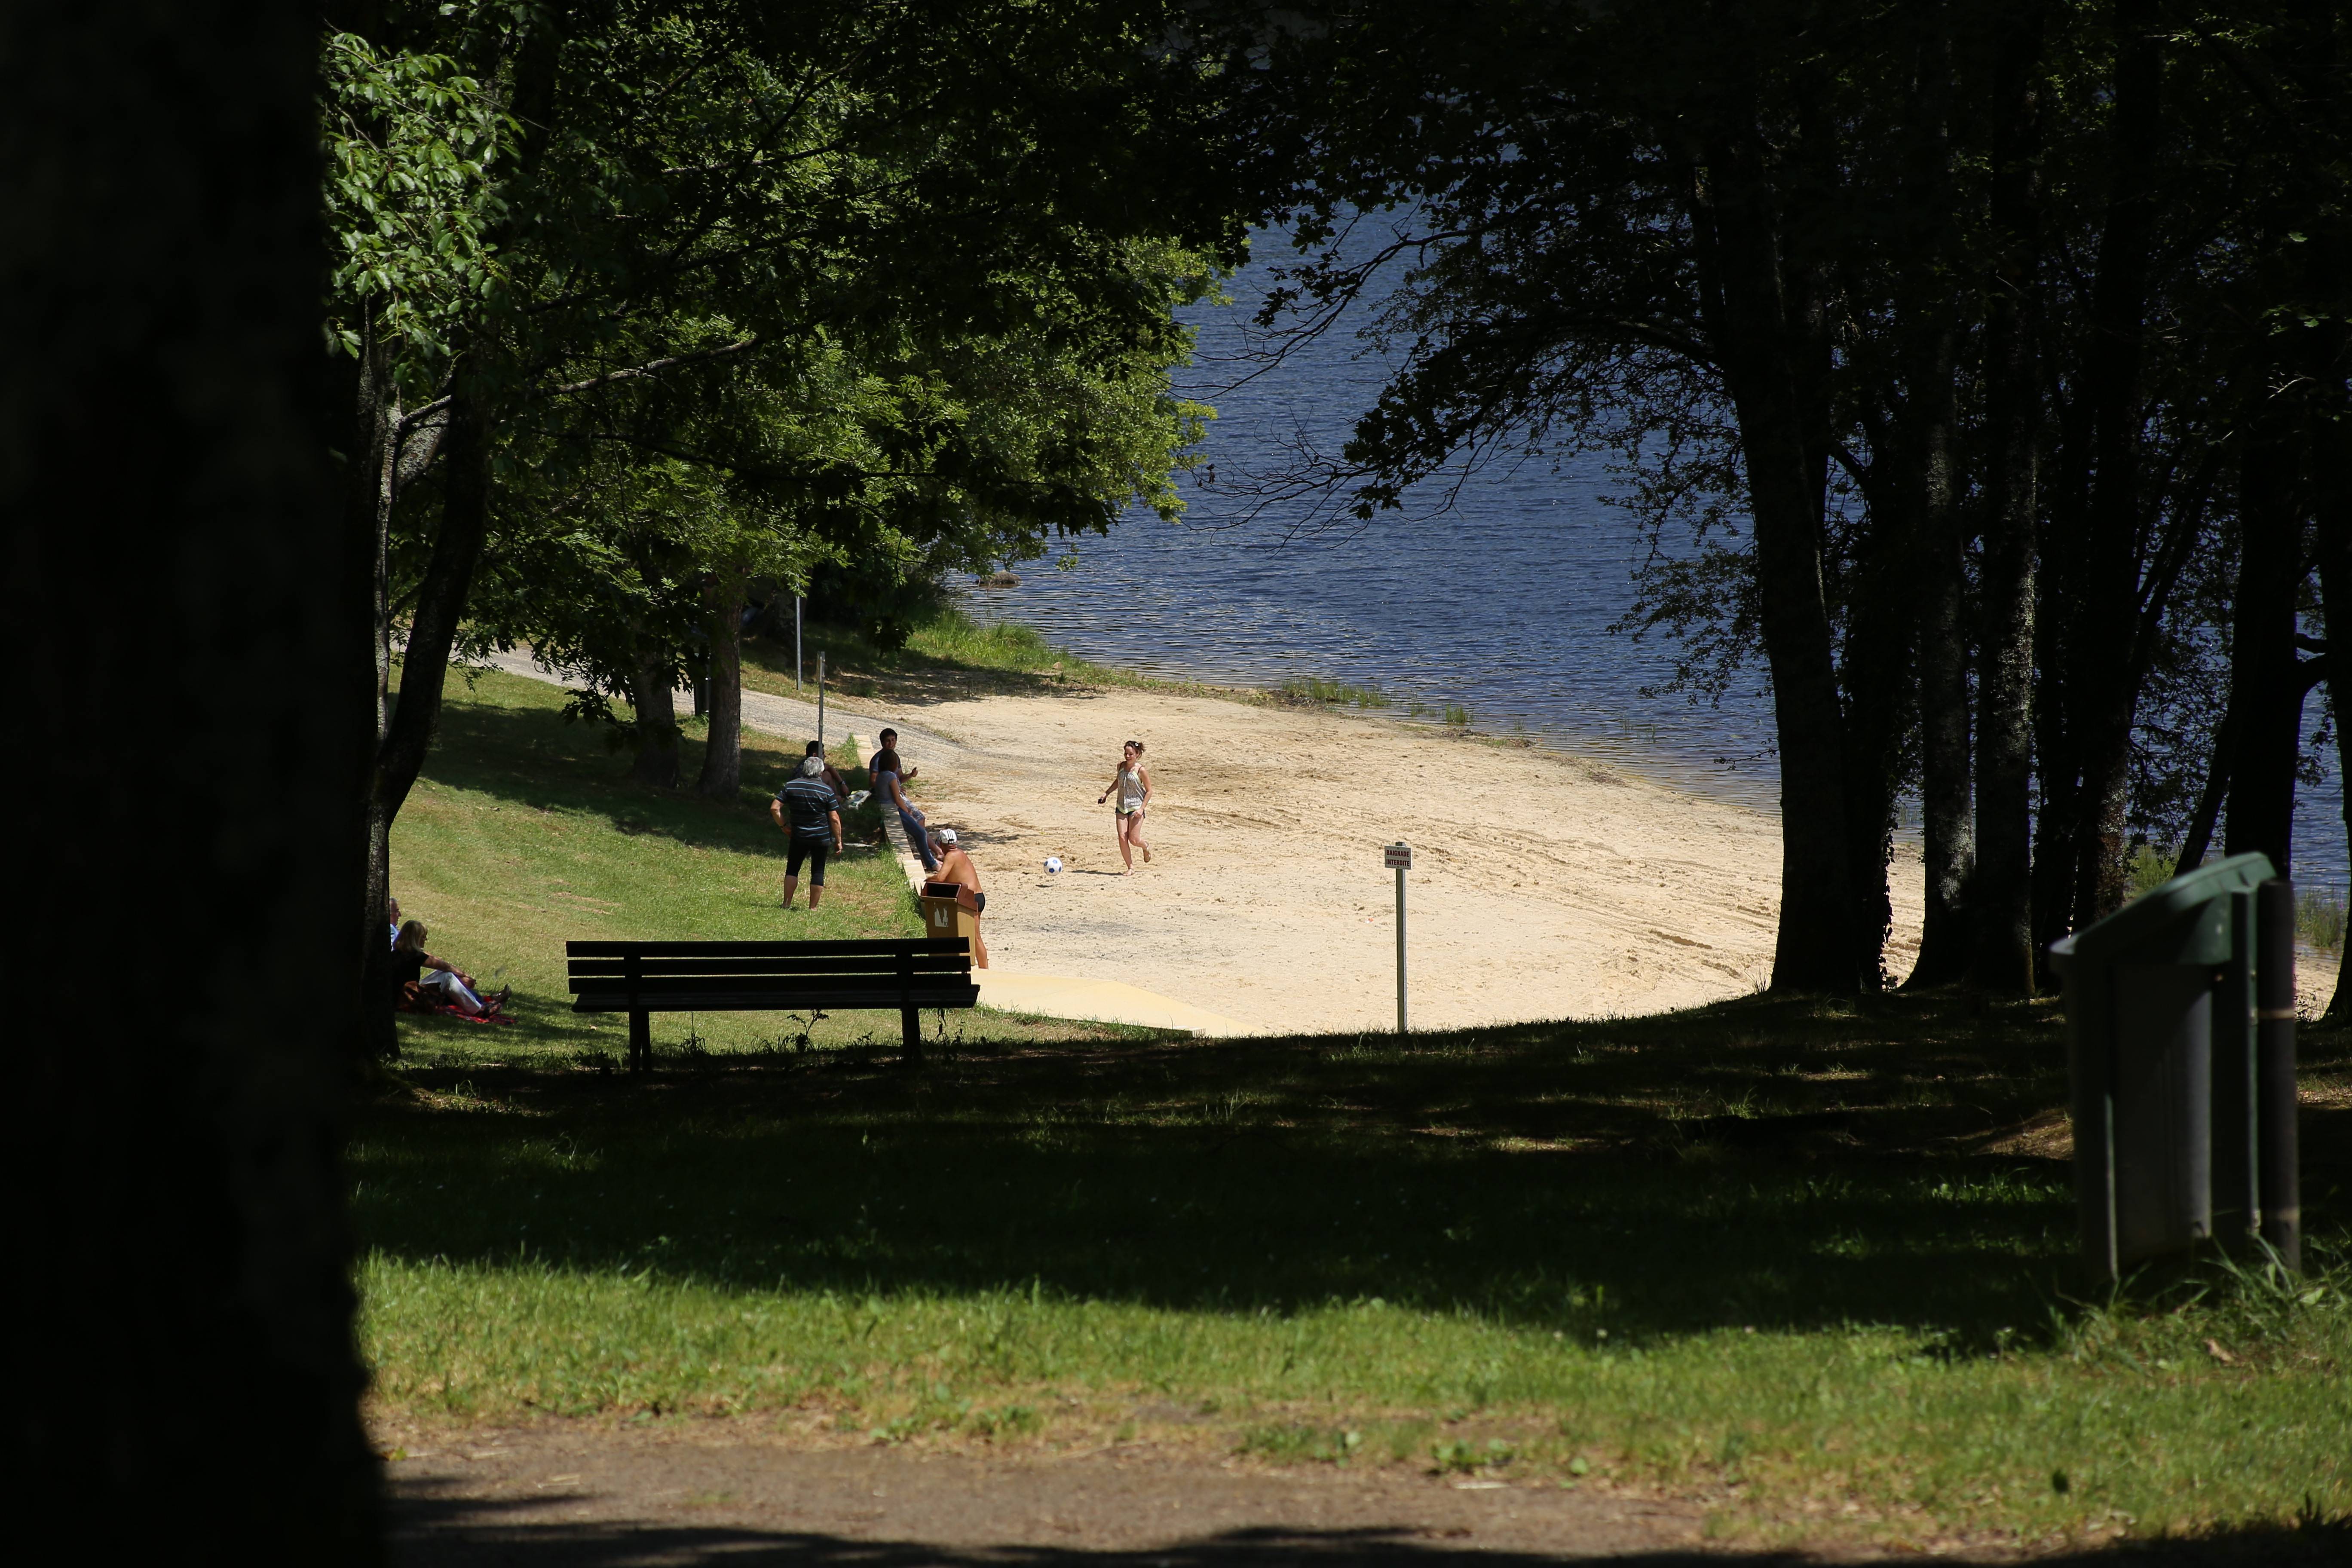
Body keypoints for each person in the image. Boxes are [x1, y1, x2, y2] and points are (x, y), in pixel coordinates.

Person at [772, 754, 844, 908]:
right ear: (820, 773)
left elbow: (775, 808)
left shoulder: (791, 786)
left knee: (792, 868)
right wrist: (838, 841)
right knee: (818, 871)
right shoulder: (826, 790)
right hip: (821, 837)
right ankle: (813, 908)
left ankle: (786, 903)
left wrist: (784, 827)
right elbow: (835, 819)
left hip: (798, 835)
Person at [391, 920, 508, 1015]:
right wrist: (464, 975)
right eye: (423, 937)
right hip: (410, 1000)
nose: (425, 940)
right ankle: (479, 1010)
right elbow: (445, 966)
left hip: (402, 997)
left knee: (442, 974)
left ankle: (479, 1001)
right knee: (448, 976)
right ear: (415, 939)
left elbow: (434, 960)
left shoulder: (398, 953)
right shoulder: (415, 956)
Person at [869, 725, 938, 874]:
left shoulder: (889, 768)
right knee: (918, 829)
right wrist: (907, 810)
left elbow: (899, 779)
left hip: (891, 802)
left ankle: (928, 849)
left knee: (919, 824)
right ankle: (932, 858)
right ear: (882, 742)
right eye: (888, 741)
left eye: (893, 740)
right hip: (892, 806)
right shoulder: (881, 762)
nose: (891, 743)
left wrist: (910, 776)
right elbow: (896, 798)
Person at [928, 827, 989, 968]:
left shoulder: (952, 856)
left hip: (970, 899)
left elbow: (941, 878)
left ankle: (985, 970)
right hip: (977, 897)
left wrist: (929, 880)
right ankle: (980, 967)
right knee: (972, 936)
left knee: (975, 937)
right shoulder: (960, 854)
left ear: (941, 845)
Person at [1095, 738, 1152, 872]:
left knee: (1134, 839)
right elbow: (1118, 781)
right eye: (1126, 753)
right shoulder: (1121, 766)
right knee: (1122, 837)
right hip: (1121, 806)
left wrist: (1142, 809)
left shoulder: (1141, 770)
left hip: (1136, 807)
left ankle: (1145, 847)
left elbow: (1150, 791)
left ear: (1138, 754)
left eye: (1131, 754)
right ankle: (1130, 867)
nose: (1127, 756)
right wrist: (1107, 793)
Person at [802, 739, 851, 805]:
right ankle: (834, 802)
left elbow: (829, 768)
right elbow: (811, 791)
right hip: (807, 797)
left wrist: (842, 784)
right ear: (815, 756)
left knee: (827, 775)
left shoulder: (811, 763)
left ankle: (836, 802)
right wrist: (834, 798)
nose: (825, 756)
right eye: (823, 753)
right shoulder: (807, 770)